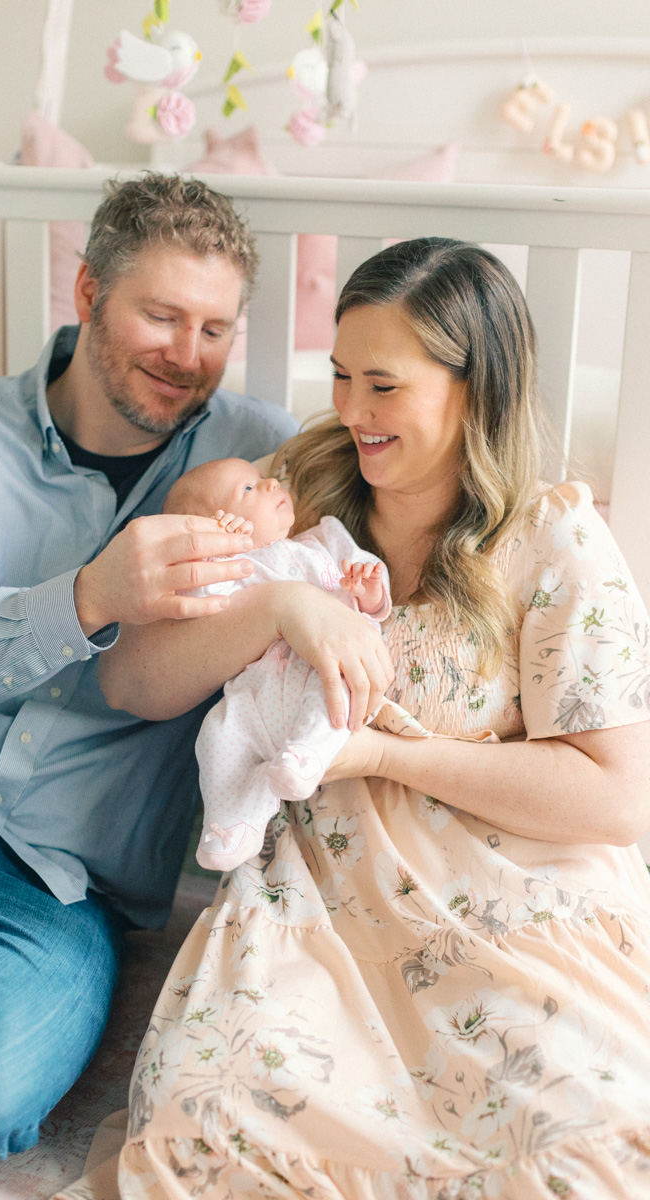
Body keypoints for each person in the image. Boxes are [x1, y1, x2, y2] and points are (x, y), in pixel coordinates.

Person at [85, 237, 650, 1199]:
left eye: (383, 385)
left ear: (475, 389)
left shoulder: (554, 538)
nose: (350, 411)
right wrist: (278, 607)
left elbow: (618, 797)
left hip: (508, 902)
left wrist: (380, 751)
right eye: (342, 375)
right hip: (317, 902)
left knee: (569, 1130)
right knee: (217, 1132)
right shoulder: (295, 490)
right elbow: (133, 682)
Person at [0, 172, 299, 1160]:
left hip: (49, 886)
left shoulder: (265, 462)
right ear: (89, 292)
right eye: (161, 315)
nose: (188, 358)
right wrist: (88, 598)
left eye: (215, 330)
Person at [162, 456, 391, 871]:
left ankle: (305, 756)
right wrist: (216, 555)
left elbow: (374, 601)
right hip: (257, 693)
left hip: (320, 672)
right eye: (247, 490)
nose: (269, 484)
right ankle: (233, 825)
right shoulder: (232, 570)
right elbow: (202, 607)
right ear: (217, 528)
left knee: (334, 704)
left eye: (263, 478)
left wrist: (369, 590)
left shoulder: (323, 539)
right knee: (216, 735)